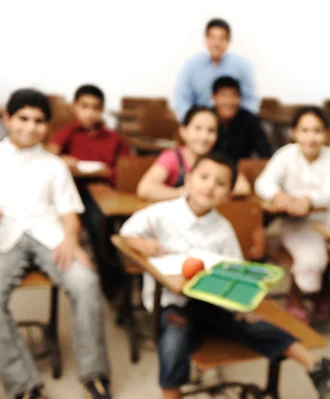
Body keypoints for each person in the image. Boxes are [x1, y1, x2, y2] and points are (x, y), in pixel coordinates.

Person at [120, 152, 330, 399]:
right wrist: (142, 245)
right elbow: (127, 232)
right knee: (174, 341)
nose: (210, 186)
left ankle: (315, 365)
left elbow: (235, 270)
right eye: (204, 177)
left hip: (212, 301)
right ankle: (170, 395)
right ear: (190, 179)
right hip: (173, 304)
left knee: (250, 324)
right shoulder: (161, 213)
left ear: (227, 195)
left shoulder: (223, 228)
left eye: (220, 183)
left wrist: (242, 298)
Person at [0, 89, 111, 399]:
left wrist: (72, 240)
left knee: (86, 282)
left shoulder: (54, 165)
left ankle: (95, 373)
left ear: (47, 126)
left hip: (51, 236)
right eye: (23, 118)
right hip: (5, 238)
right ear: (7, 118)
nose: (30, 127)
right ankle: (23, 383)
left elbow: (69, 212)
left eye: (38, 121)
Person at [254, 106, 330, 323]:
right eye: (304, 130)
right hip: (297, 222)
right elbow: (263, 182)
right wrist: (278, 196)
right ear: (294, 132)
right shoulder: (285, 155)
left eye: (317, 130)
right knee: (311, 260)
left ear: (326, 134)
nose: (310, 137)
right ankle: (294, 298)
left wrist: (309, 200)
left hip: (329, 220)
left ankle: (322, 297)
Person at [47, 84, 131, 300]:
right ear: (75, 107)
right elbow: (49, 157)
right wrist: (62, 161)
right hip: (71, 193)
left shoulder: (113, 138)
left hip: (100, 193)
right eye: (84, 106)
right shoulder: (68, 133)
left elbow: (126, 169)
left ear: (101, 110)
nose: (89, 112)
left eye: (95, 108)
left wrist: (108, 172)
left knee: (99, 225)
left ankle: (111, 282)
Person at [137, 106, 251, 201]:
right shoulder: (172, 157)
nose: (204, 137)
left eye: (211, 130)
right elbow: (145, 188)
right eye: (198, 128)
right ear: (183, 131)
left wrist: (207, 191)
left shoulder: (218, 159)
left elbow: (243, 187)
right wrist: (182, 192)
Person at [174, 18, 258, 121]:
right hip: (201, 122)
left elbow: (250, 100)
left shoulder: (242, 66)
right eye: (212, 38)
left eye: (222, 38)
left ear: (228, 41)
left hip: (233, 123)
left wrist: (243, 122)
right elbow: (182, 99)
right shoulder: (191, 66)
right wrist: (191, 121)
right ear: (206, 39)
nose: (216, 43)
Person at [211, 76, 273, 165]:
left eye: (234, 95)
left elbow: (265, 151)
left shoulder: (249, 120)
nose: (229, 101)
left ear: (240, 98)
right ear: (214, 97)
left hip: (240, 170)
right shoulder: (206, 117)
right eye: (224, 95)